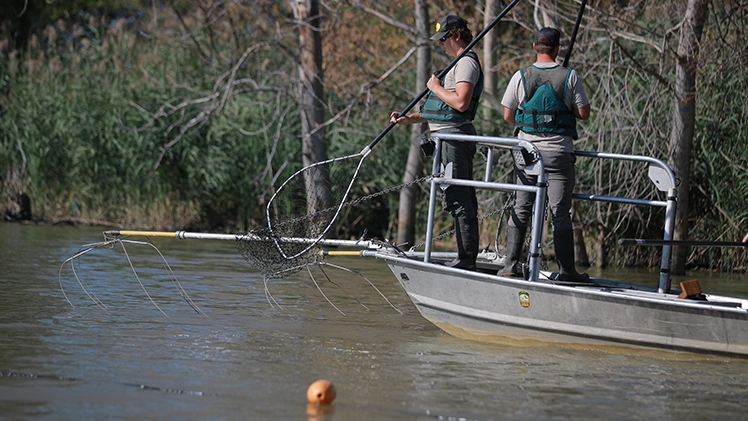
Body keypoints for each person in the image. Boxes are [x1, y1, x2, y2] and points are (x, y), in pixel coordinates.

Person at [390, 15, 484, 271]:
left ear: (456, 36)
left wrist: (435, 86)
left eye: (443, 38)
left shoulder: (466, 64)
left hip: (455, 140)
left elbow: (461, 103)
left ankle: (466, 260)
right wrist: (407, 119)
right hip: (446, 140)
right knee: (455, 196)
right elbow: (441, 109)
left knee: (459, 198)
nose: (441, 44)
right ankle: (464, 258)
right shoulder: (455, 65)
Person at [499, 27, 591, 281]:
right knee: (560, 212)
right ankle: (567, 271)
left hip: (527, 154)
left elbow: (508, 115)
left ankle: (510, 266)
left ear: (534, 47)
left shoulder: (520, 76)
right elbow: (584, 114)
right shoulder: (570, 76)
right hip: (559, 155)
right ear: (557, 48)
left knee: (521, 207)